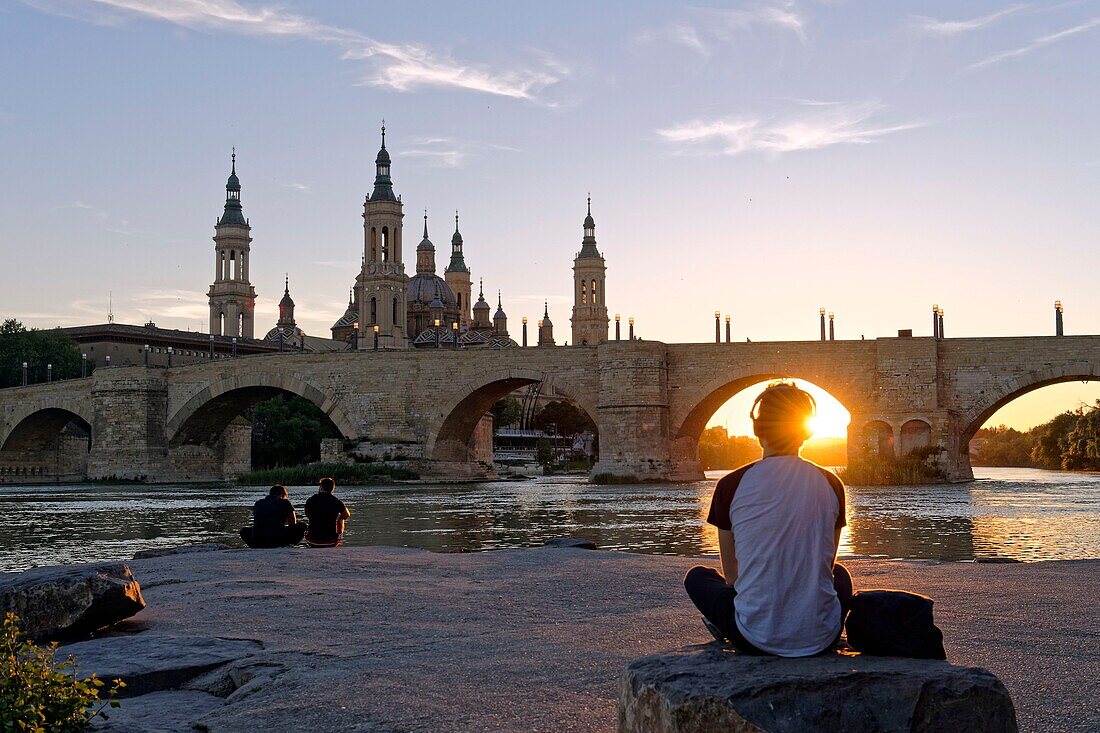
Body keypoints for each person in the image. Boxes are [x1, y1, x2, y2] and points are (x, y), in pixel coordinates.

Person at [684, 382, 853, 657]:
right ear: (805, 432)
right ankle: (812, 623)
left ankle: (730, 626)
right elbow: (827, 563)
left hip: (754, 639)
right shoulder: (832, 483)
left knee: (698, 577)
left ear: (758, 430)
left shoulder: (730, 485)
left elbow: (732, 577)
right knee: (841, 576)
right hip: (823, 638)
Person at [240, 485, 306, 548]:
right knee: (302, 526)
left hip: (258, 539)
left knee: (244, 531)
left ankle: (256, 545)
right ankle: (288, 545)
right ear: (282, 495)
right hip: (278, 539)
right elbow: (292, 524)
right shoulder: (285, 502)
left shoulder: (258, 503)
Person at [304, 477, 351, 548]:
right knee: (340, 518)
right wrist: (338, 519)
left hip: (312, 540)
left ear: (321, 487)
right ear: (332, 488)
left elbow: (307, 514)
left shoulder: (310, 500)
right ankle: (337, 536)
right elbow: (346, 515)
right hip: (331, 542)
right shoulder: (337, 501)